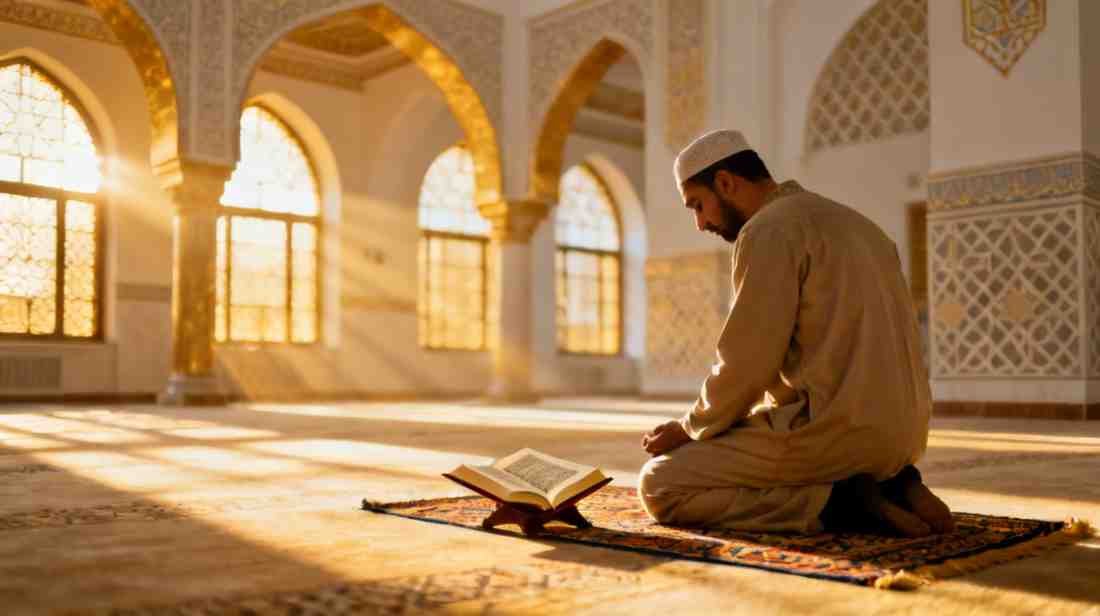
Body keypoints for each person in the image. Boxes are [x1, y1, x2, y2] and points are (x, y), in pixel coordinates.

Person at [638, 129, 953, 536]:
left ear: (726, 183)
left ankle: (839, 502)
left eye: (698, 205)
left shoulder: (768, 229)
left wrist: (688, 426)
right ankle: (894, 483)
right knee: (750, 433)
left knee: (661, 483)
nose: (700, 223)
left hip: (835, 431)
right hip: (906, 434)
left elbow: (747, 365)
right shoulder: (864, 226)